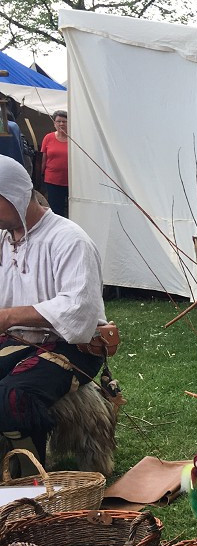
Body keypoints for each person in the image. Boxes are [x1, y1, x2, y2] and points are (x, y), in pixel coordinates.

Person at [0, 155, 106, 462]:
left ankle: (30, 479)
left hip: (72, 347)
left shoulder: (69, 240)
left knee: (12, 395)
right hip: (16, 341)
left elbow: (79, 311)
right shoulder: (4, 239)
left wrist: (9, 317)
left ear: (16, 196)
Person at [40, 110, 69, 217]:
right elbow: (43, 159)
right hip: (52, 180)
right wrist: (41, 176)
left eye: (64, 121)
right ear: (54, 123)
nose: (61, 124)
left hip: (72, 182)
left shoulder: (74, 139)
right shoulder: (48, 138)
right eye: (58, 121)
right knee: (56, 210)